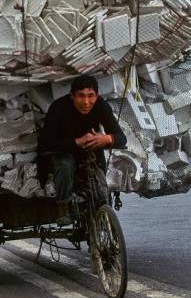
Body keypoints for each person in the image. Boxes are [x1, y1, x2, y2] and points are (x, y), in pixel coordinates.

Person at [37, 75, 127, 225]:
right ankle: (63, 207)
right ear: (72, 96)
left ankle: (104, 221)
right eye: (81, 96)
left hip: (90, 154)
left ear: (96, 96)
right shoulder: (58, 108)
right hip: (63, 153)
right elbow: (46, 144)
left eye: (91, 96)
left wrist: (105, 139)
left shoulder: (100, 105)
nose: (86, 102)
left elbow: (121, 138)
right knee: (65, 165)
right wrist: (77, 142)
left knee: (101, 188)